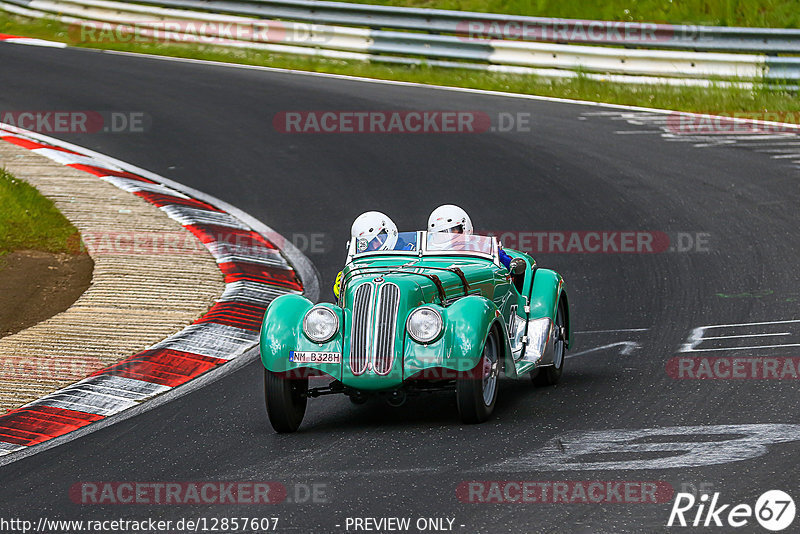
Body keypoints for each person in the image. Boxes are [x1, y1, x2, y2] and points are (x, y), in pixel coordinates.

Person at [333, 211, 399, 299]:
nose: (375, 247)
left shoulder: (410, 251)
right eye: (369, 245)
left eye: (377, 240)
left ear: (388, 231)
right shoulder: (359, 267)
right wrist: (344, 281)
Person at [427, 204, 513, 269]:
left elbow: (511, 268)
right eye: (440, 234)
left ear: (465, 227)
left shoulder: (484, 248)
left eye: (454, 230)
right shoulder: (427, 255)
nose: (447, 236)